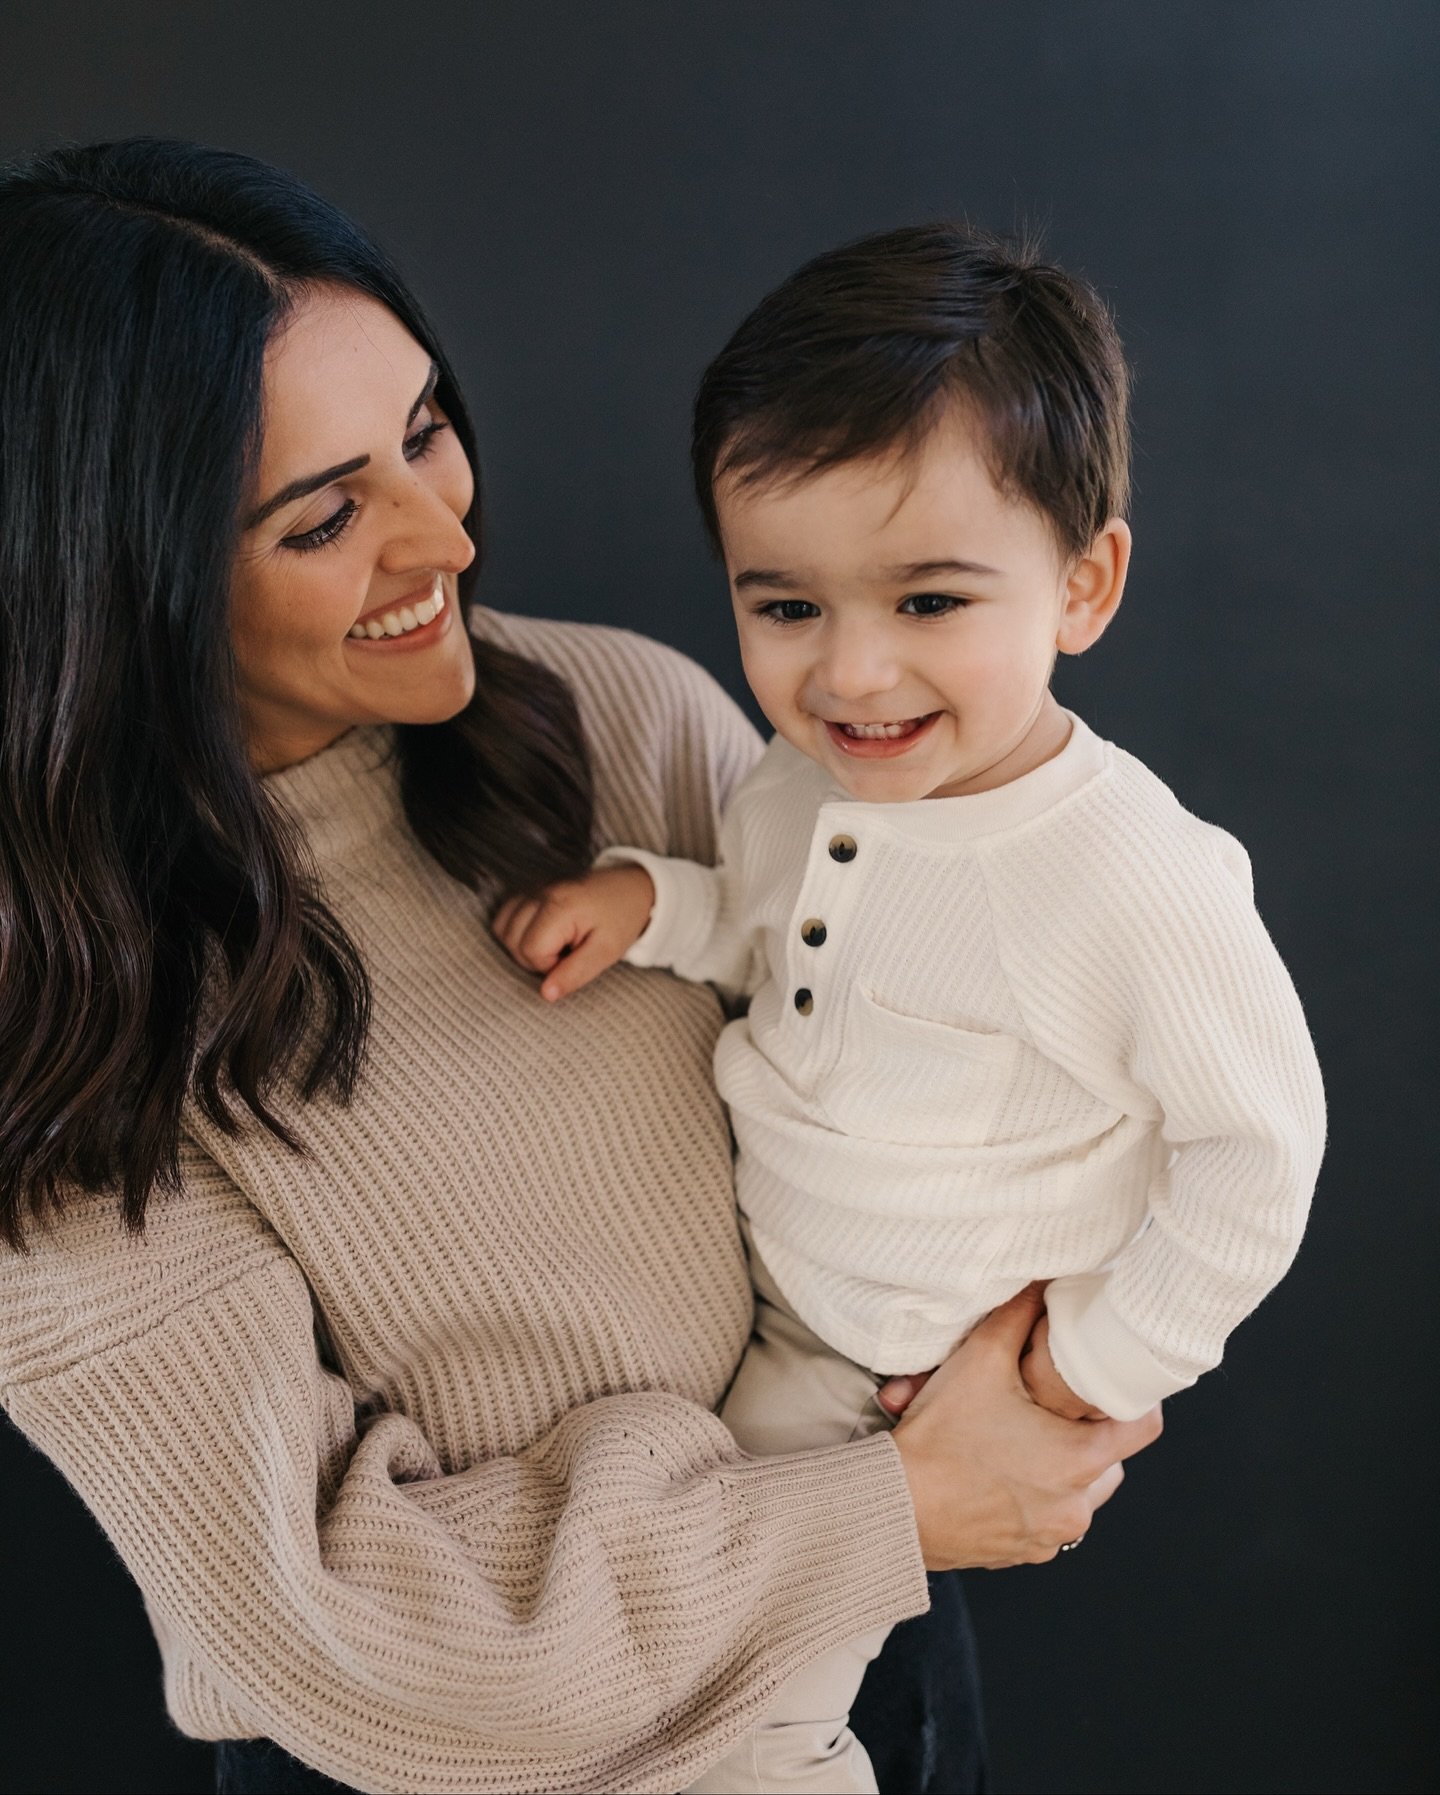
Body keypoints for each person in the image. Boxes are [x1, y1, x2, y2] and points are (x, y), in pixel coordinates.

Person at [0, 145, 1160, 1795]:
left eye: (421, 433)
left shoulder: (626, 721)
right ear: (126, 584)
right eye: (328, 514)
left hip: (863, 1653)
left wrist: (1064, 1350)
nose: (444, 534)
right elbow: (338, 1629)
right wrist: (881, 1509)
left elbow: (937, 1099)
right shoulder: (67, 1019)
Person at [495, 223, 1328, 1794]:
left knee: (761, 1716)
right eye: (787, 607)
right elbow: (764, 925)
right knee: (660, 1651)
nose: (854, 674)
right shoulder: (800, 783)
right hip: (784, 1314)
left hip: (915, 1374)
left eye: (932, 602)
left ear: (1086, 584)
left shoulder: (1128, 876)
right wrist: (651, 902)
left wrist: (1090, 1364)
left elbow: (1258, 1156)